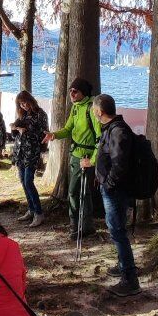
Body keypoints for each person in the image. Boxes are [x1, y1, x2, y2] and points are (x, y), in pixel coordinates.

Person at [82, 93, 140, 297]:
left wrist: (108, 184)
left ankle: (130, 279)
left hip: (116, 191)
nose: (94, 114)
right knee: (117, 229)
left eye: (94, 111)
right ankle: (123, 264)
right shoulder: (111, 129)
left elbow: (120, 164)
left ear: (99, 111)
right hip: (112, 188)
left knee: (117, 231)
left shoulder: (118, 131)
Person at [44, 77, 101, 239]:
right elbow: (68, 129)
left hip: (86, 158)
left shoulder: (92, 108)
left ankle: (79, 226)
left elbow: (99, 137)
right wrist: (54, 135)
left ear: (83, 92)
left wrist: (92, 160)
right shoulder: (75, 108)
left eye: (75, 91)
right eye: (70, 91)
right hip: (75, 156)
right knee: (79, 191)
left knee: (78, 192)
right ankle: (81, 225)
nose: (72, 94)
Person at [10, 90, 48, 227]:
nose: (24, 106)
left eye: (25, 102)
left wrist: (27, 131)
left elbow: (44, 135)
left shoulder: (40, 114)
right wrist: (15, 129)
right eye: (20, 104)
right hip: (20, 152)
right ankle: (31, 209)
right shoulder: (22, 114)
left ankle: (39, 213)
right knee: (23, 181)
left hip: (32, 152)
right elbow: (14, 135)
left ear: (30, 100)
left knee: (28, 181)